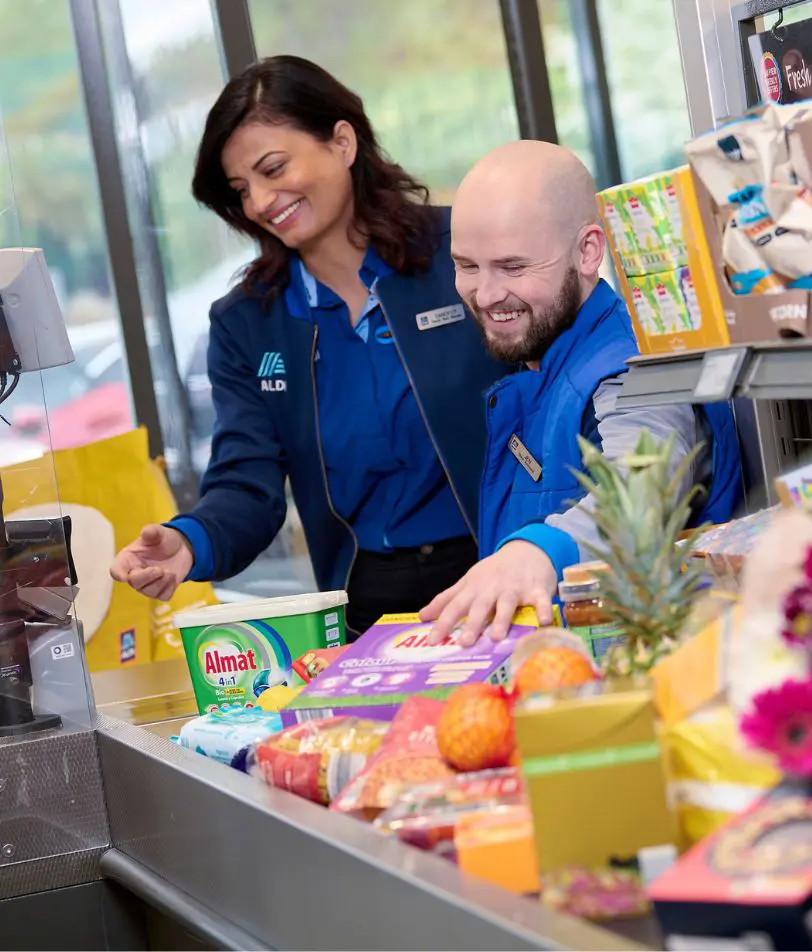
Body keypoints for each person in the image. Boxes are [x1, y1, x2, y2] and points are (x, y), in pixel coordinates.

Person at [109, 56, 507, 638]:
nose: (259, 202)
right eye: (241, 190)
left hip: (500, 570)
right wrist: (189, 542)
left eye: (273, 169)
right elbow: (247, 484)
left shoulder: (463, 249)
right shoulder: (248, 323)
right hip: (367, 606)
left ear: (342, 142)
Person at [421, 140, 742, 646]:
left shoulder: (632, 365)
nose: (485, 295)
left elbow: (642, 487)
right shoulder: (543, 354)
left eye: (513, 267)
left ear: (588, 251)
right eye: (467, 265)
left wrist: (539, 551)